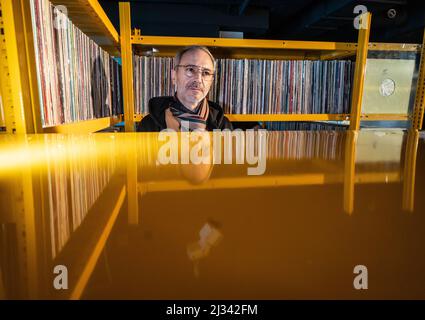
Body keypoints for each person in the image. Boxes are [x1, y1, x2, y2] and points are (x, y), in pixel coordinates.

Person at [137, 46, 232, 131]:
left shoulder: (223, 126)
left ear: (211, 81)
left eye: (206, 73)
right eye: (190, 69)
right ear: (174, 76)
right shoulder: (148, 125)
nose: (198, 79)